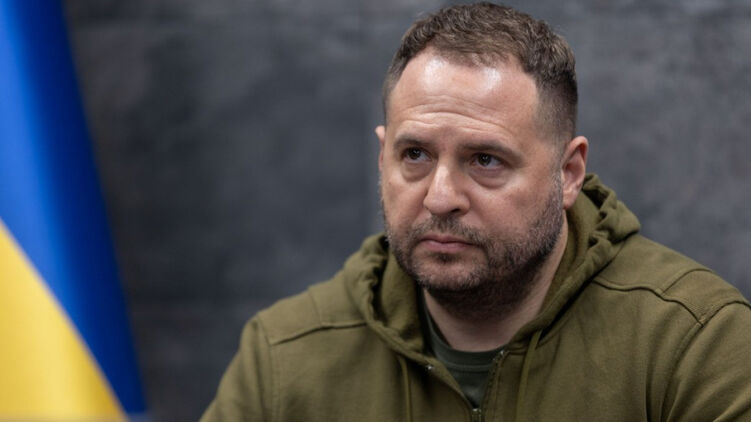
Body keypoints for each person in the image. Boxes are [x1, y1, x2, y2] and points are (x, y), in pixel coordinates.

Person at [201, 3, 751, 421]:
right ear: (382, 156)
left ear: (568, 174)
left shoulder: (694, 344)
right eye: (415, 155)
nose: (440, 197)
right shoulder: (285, 359)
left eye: (485, 160)